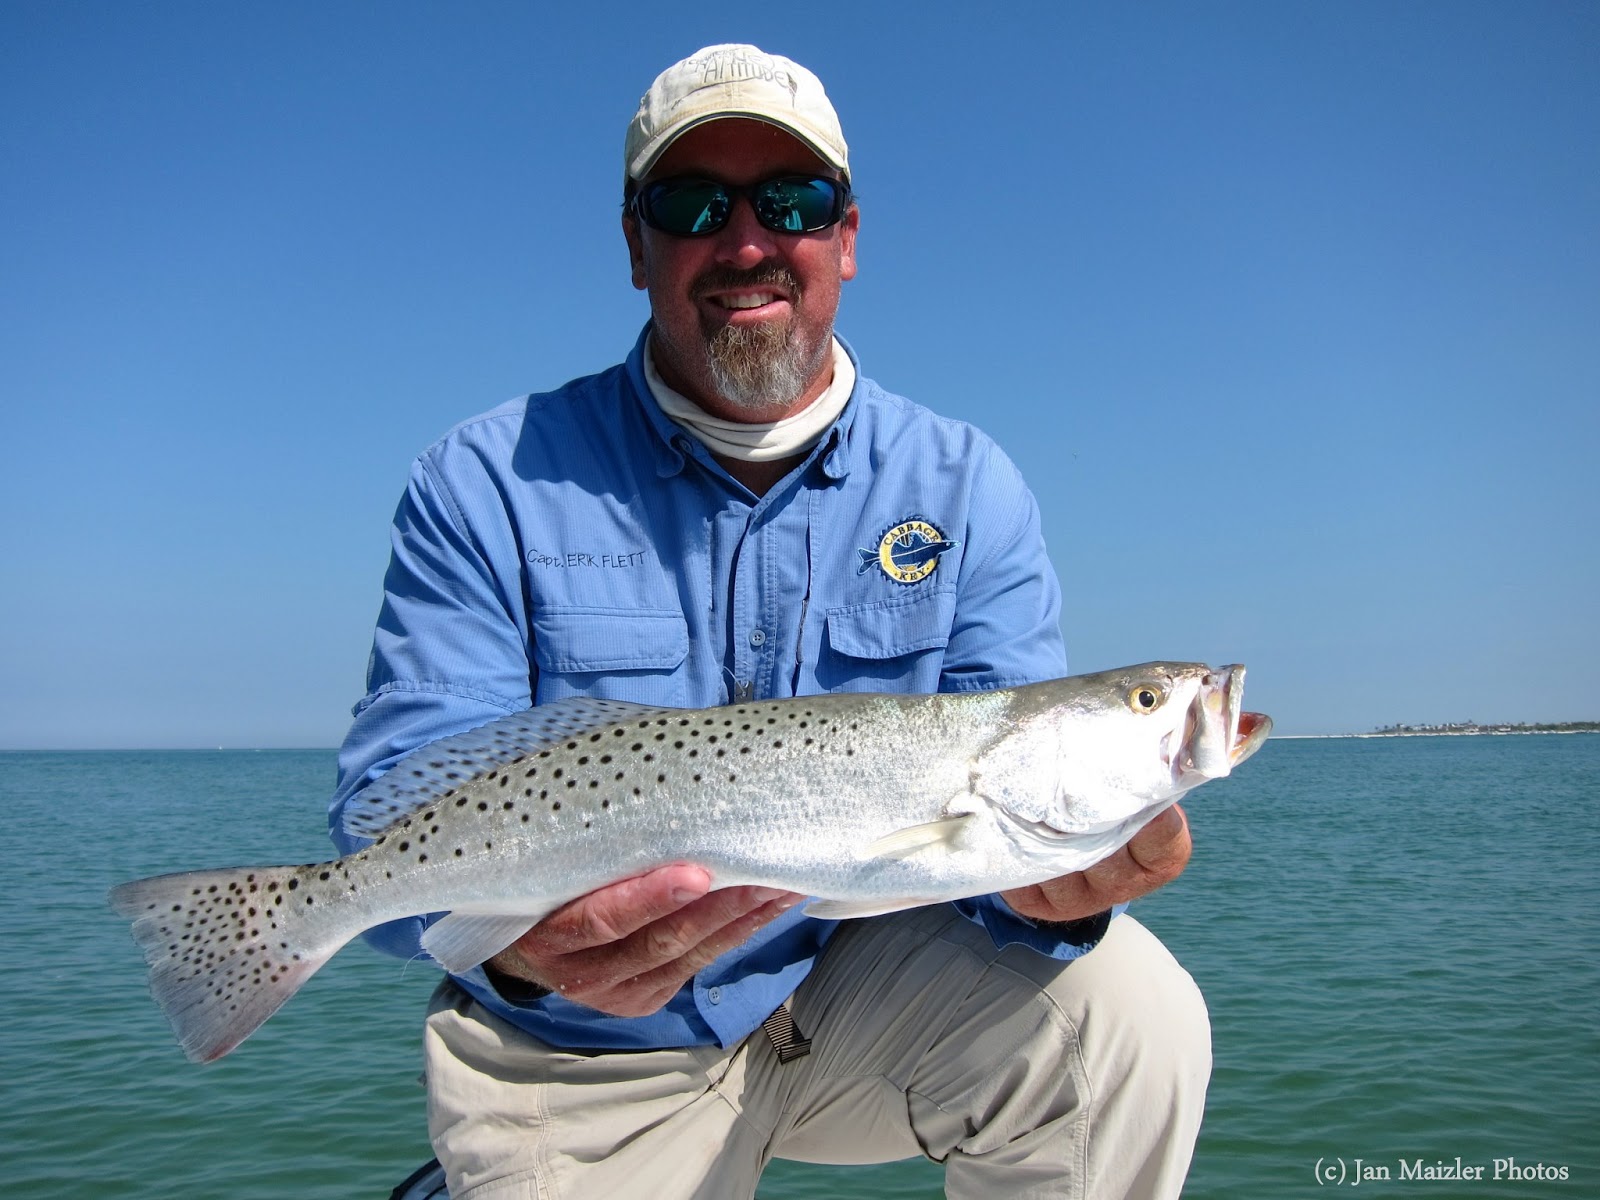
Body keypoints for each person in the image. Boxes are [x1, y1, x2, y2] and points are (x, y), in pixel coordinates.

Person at [334, 43, 1209, 1200]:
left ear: (846, 236)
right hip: (579, 1044)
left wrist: (1054, 886)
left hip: (851, 993)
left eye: (791, 202)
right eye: (692, 204)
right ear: (636, 246)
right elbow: (392, 797)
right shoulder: (485, 480)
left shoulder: (966, 487)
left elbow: (987, 839)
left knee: (1128, 1019)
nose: (746, 242)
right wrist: (522, 950)